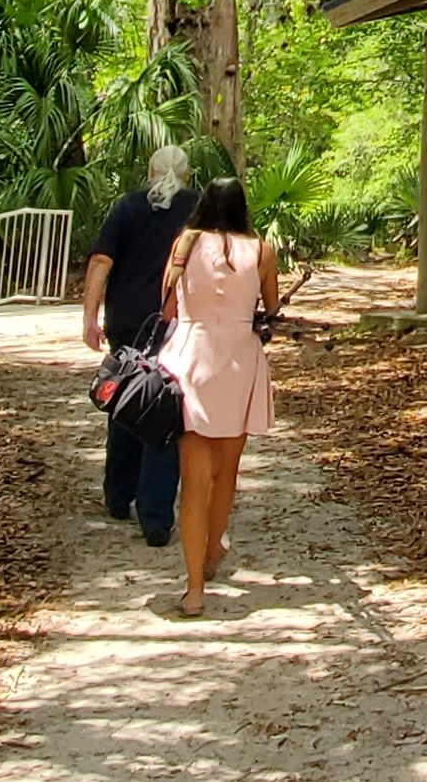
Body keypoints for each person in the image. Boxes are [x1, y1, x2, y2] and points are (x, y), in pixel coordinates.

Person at [155, 175, 283, 617]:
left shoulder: (185, 243)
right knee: (226, 472)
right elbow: (270, 307)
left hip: (191, 357)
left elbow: (168, 308)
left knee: (194, 481)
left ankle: (193, 590)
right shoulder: (262, 249)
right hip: (238, 361)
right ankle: (212, 550)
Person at [79, 145, 196, 545]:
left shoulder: (127, 207)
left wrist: (90, 318)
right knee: (163, 411)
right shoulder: (196, 211)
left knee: (127, 399)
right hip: (174, 321)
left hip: (128, 320)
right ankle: (156, 516)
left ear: (150, 170)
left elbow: (100, 263)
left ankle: (118, 493)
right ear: (187, 175)